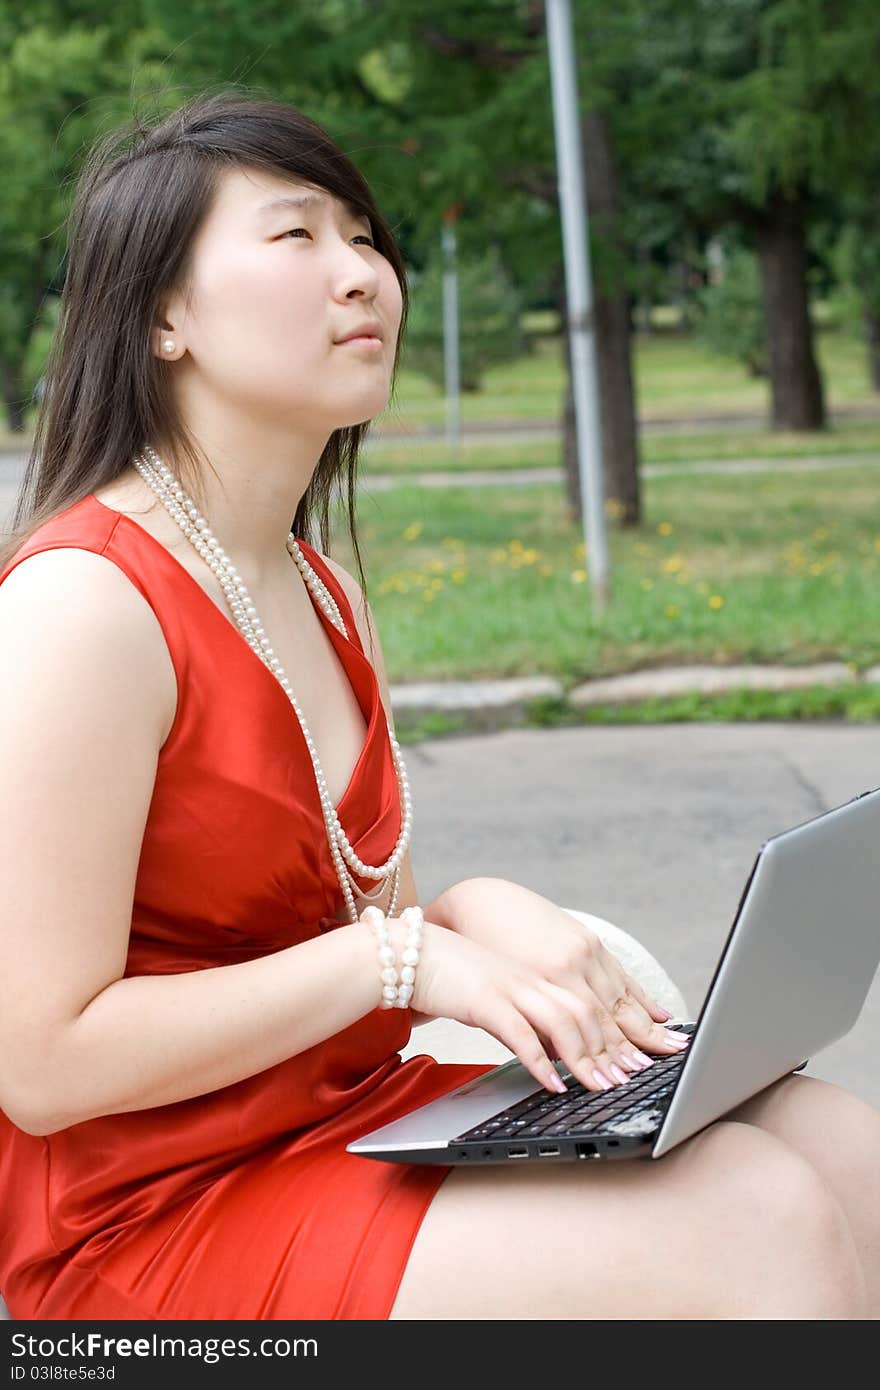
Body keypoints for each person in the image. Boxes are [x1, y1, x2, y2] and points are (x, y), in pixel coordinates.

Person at [0, 90, 876, 1324]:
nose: (359, 273)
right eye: (294, 236)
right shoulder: (82, 606)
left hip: (352, 1123)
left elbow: (366, 923)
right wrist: (400, 956)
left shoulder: (317, 585)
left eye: (364, 236)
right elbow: (40, 1061)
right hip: (149, 1223)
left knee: (841, 1154)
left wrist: (467, 912)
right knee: (751, 1215)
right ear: (161, 314)